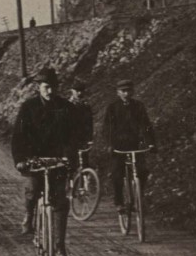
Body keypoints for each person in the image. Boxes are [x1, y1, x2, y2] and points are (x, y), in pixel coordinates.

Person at [10, 67, 74, 256]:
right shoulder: (28, 108)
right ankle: (29, 215)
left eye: (53, 87)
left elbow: (73, 138)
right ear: (39, 87)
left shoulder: (66, 108)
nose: (50, 91)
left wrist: (69, 158)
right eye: (46, 87)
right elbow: (18, 136)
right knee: (32, 188)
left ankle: (59, 246)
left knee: (60, 203)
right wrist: (21, 159)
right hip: (34, 159)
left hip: (57, 161)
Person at [102, 78, 157, 215]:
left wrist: (151, 143)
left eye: (129, 91)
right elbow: (107, 128)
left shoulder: (138, 106)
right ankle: (119, 202)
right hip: (118, 146)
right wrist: (109, 144)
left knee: (143, 171)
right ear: (118, 92)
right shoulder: (113, 108)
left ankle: (138, 196)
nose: (126, 94)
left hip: (134, 144)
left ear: (133, 91)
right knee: (117, 173)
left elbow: (146, 126)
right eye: (123, 91)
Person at [67, 78, 94, 173]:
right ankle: (70, 185)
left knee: (85, 163)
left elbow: (89, 123)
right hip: (70, 139)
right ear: (72, 91)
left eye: (81, 91)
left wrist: (90, 139)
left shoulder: (86, 106)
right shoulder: (67, 106)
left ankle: (85, 184)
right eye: (77, 91)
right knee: (71, 165)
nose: (79, 93)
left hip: (83, 139)